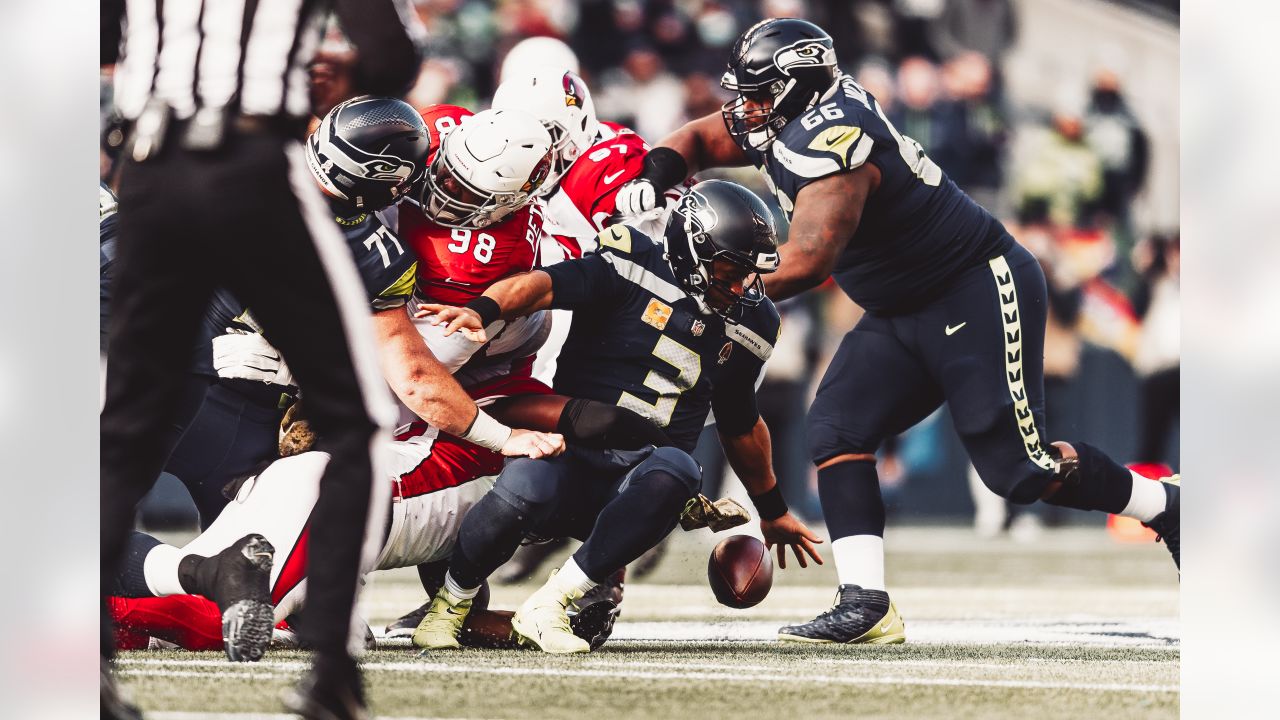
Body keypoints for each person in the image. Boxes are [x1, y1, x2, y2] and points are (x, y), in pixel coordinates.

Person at [614, 18, 1180, 645]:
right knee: (836, 428)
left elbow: (808, 259)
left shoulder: (833, 142)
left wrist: (705, 285)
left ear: (796, 89)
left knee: (1020, 471)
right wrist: (650, 175)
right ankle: (864, 603)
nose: (746, 109)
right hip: (901, 306)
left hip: (973, 289)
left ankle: (1169, 509)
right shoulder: (791, 115)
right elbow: (696, 137)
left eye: (760, 94)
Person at [100, 2, 427, 716]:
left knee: (126, 430)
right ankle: (331, 673)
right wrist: (332, 69)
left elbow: (93, 36)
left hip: (153, 171)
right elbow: (391, 55)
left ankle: (87, 667)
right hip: (254, 171)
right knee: (356, 427)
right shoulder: (374, 233)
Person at [412, 180, 824, 654]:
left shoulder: (755, 320)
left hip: (638, 488)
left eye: (749, 274)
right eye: (730, 269)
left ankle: (550, 605)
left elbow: (740, 421)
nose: (739, 286)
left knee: (680, 469)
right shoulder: (631, 261)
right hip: (569, 453)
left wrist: (773, 512)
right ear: (692, 249)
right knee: (529, 478)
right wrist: (483, 310)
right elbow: (543, 286)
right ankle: (450, 604)